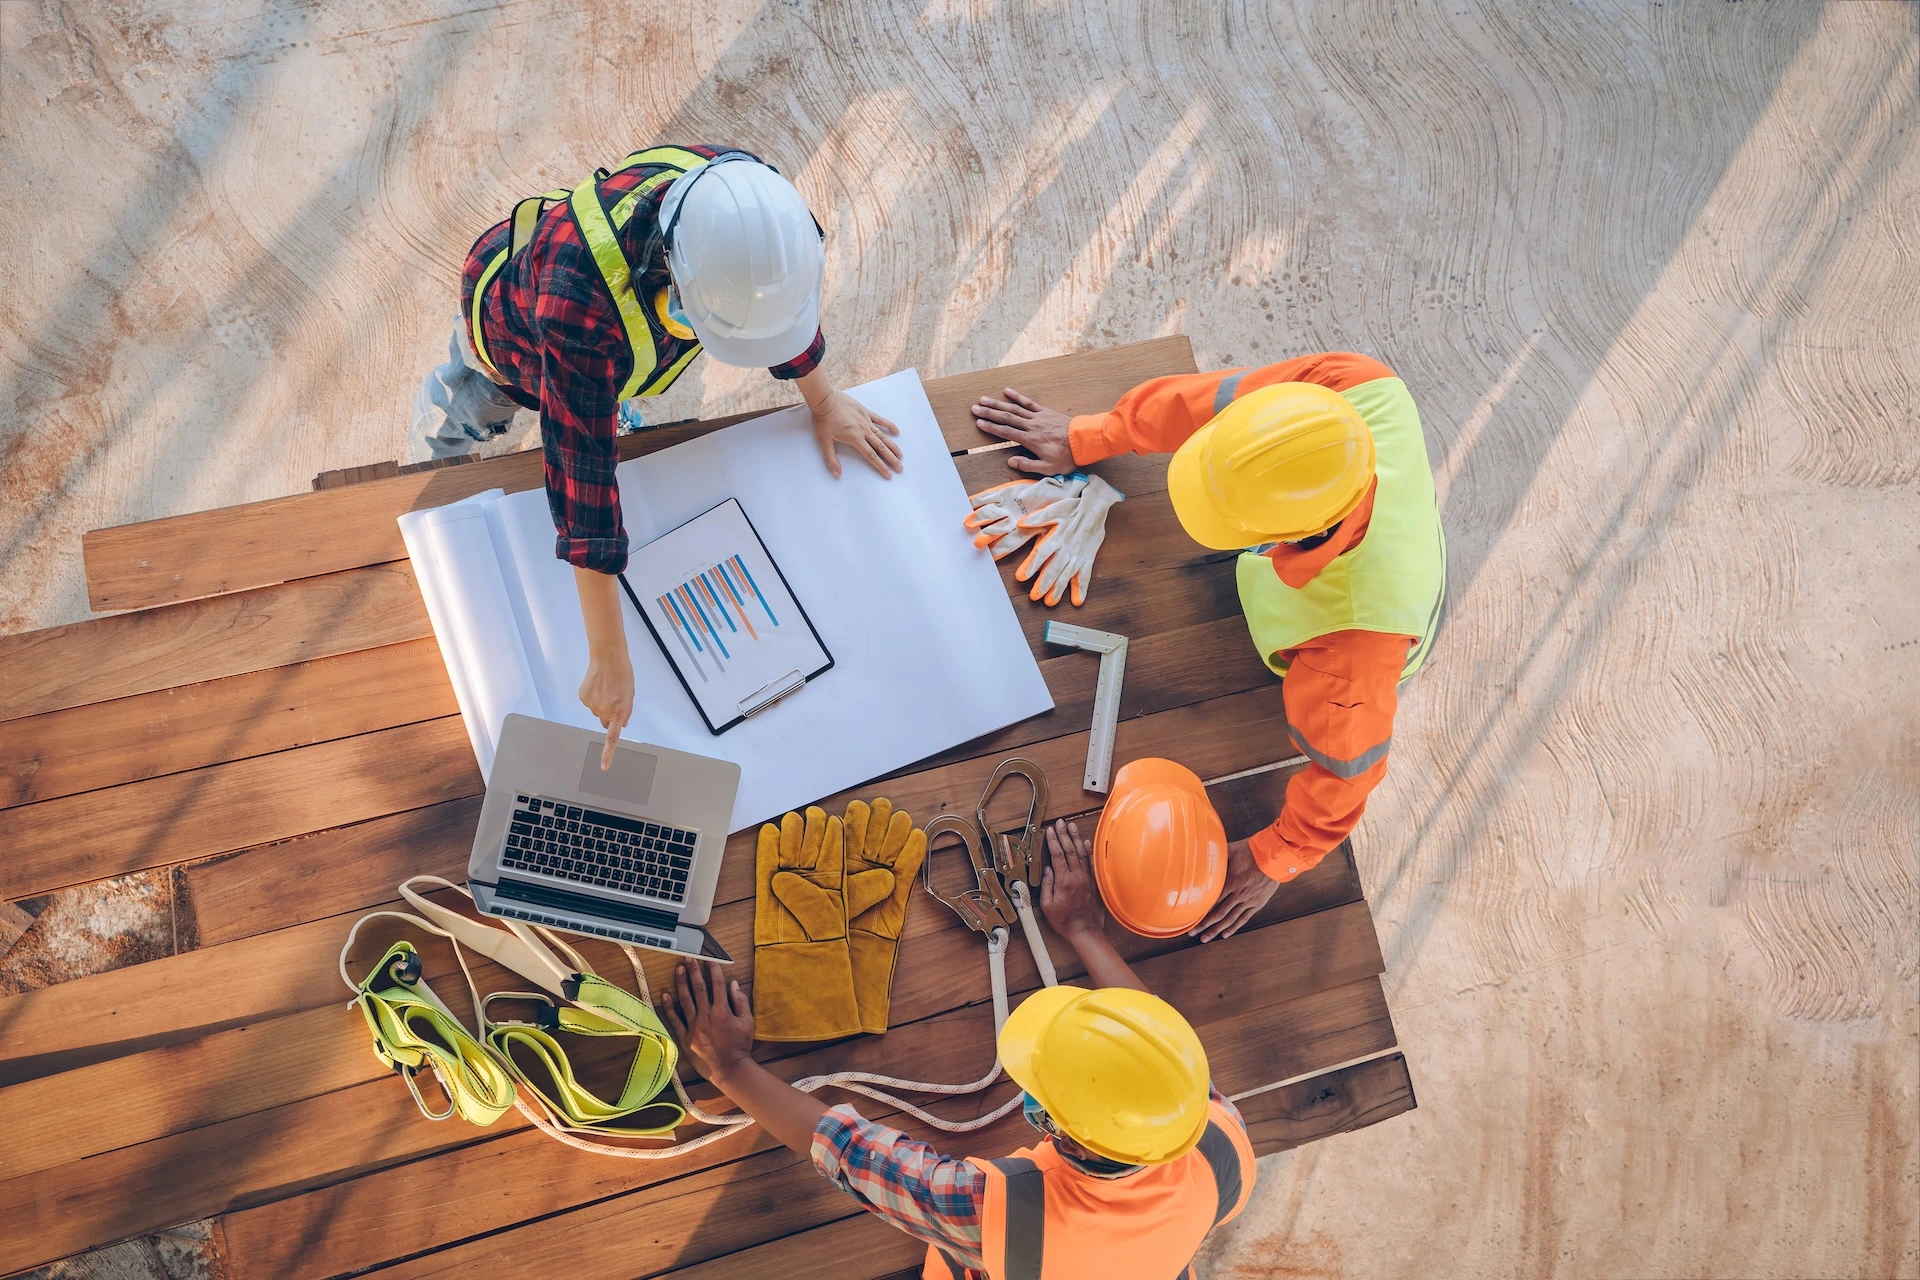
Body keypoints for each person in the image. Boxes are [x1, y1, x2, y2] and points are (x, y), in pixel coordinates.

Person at [412, 146, 901, 765]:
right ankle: (437, 443)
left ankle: (604, 396)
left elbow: (774, 305)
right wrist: (609, 657)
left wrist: (823, 398)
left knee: (597, 396)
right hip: (508, 344)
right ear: (671, 279)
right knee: (464, 418)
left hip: (595, 350)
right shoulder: (579, 308)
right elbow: (581, 474)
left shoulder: (747, 204)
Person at [969, 352, 1444, 941]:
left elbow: (1350, 775)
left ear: (1289, 535)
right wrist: (1093, 435)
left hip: (1370, 625)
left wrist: (1279, 855)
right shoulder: (1352, 387)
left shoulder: (1348, 662)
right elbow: (1210, 401)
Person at [662, 820, 1256, 1280]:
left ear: (1065, 1132)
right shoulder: (1217, 1141)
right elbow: (1150, 1048)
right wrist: (1083, 930)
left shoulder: (1000, 1218)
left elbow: (859, 1157)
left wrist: (730, 1067)